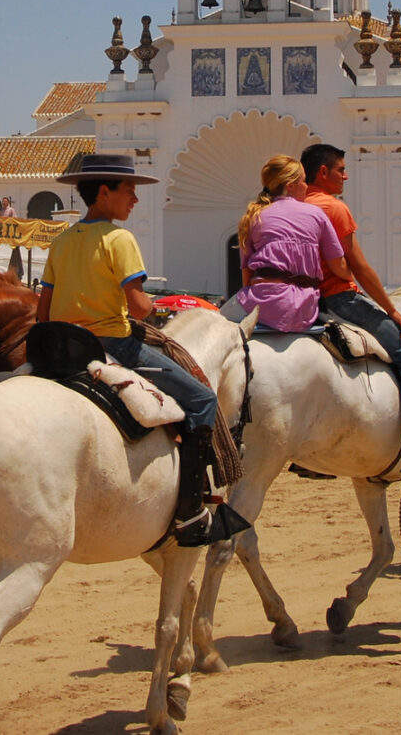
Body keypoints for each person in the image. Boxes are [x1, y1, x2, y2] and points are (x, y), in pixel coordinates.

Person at [36, 152, 247, 547]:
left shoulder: (61, 240)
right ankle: (189, 510)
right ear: (104, 191)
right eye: (129, 190)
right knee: (202, 398)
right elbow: (139, 308)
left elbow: (43, 312)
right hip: (113, 343)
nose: (135, 199)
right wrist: (155, 306)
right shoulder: (120, 239)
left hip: (63, 347)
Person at [300, 143, 401, 474]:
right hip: (339, 299)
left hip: (306, 303)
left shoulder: (295, 206)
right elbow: (361, 268)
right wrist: (393, 312)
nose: (346, 175)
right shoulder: (334, 208)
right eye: (341, 170)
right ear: (323, 173)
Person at [232, 154, 350, 332]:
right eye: (303, 181)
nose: (306, 186)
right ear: (290, 185)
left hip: (260, 303)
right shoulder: (316, 214)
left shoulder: (252, 217)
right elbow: (338, 265)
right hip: (303, 305)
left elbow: (247, 276)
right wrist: (352, 278)